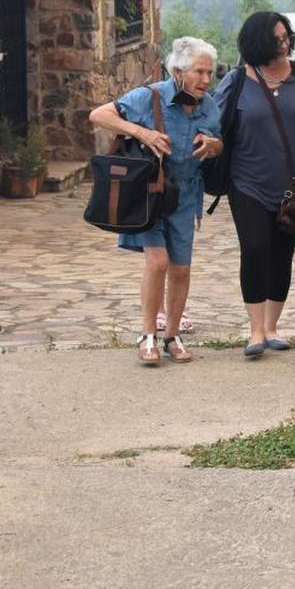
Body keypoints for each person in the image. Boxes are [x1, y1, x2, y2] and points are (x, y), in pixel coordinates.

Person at [89, 37, 223, 364]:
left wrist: (212, 145)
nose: (206, 80)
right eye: (199, 72)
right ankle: (148, 334)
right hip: (148, 193)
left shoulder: (209, 104)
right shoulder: (148, 97)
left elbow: (219, 143)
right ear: (178, 71)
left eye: (210, 73)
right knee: (158, 261)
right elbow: (99, 115)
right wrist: (142, 132)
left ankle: (172, 335)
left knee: (181, 268)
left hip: (186, 194)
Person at [213, 12, 295, 359]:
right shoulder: (236, 82)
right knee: (255, 250)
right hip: (247, 182)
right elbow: (215, 124)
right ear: (257, 42)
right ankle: (254, 332)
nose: (284, 44)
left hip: (294, 186)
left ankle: (272, 328)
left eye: (286, 37)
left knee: (282, 254)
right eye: (276, 39)